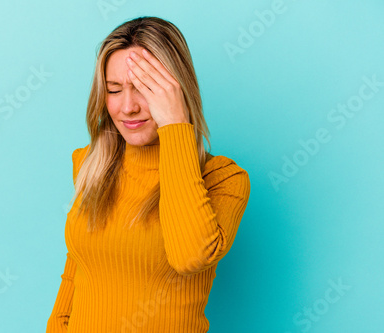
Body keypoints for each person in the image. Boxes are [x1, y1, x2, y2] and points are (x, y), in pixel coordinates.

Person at [46, 16, 251, 332]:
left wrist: (175, 126)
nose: (127, 107)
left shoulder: (223, 179)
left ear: (175, 91)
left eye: (145, 89)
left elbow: (189, 257)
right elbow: (76, 270)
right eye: (114, 90)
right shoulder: (89, 163)